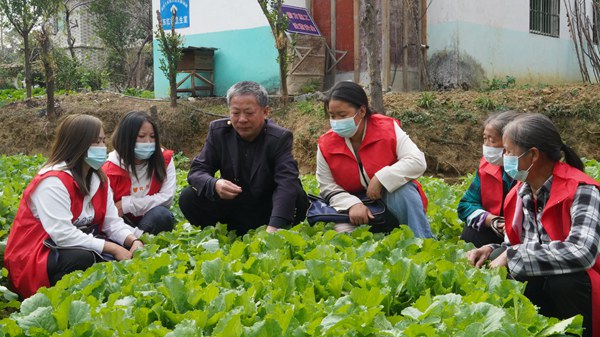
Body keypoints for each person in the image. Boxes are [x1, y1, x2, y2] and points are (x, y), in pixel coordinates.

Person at [466, 114, 600, 337]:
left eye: (508, 151)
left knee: (562, 281)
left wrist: (514, 254)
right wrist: (490, 248)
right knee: (496, 256)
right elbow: (519, 242)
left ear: (533, 155)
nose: (503, 157)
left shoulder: (581, 190)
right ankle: (535, 328)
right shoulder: (523, 190)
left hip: (584, 283)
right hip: (549, 276)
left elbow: (582, 252)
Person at [4, 114, 143, 299]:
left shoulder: (99, 179)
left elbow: (112, 223)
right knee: (83, 257)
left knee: (113, 250)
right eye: (96, 142)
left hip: (73, 244)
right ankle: (54, 299)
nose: (103, 148)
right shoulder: (53, 181)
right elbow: (63, 235)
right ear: (77, 144)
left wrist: (133, 241)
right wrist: (113, 248)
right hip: (36, 254)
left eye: (103, 141)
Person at [179, 81, 309, 234]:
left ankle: (274, 228)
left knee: (297, 195)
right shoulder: (218, 132)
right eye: (235, 113)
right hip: (233, 207)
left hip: (266, 209)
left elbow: (286, 182)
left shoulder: (279, 138)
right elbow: (197, 171)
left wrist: (275, 226)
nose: (242, 119)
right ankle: (225, 232)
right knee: (188, 197)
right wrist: (214, 184)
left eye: (249, 113)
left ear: (265, 111)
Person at [316, 81, 432, 237]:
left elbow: (417, 161)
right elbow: (327, 186)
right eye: (332, 116)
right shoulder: (326, 144)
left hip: (390, 199)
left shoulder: (387, 129)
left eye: (342, 115)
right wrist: (352, 204)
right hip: (353, 208)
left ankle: (422, 242)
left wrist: (381, 178)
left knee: (404, 191)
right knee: (343, 238)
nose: (337, 121)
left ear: (362, 111)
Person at [102, 111, 175, 235]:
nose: (148, 142)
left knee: (162, 216)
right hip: (120, 223)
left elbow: (167, 198)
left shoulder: (164, 160)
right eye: (141, 136)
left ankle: (139, 242)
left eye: (152, 137)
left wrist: (126, 204)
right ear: (126, 137)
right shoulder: (110, 169)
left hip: (149, 219)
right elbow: (109, 214)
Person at [457, 111, 520, 247]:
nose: (486, 145)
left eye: (492, 140)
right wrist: (493, 221)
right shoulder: (486, 168)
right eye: (484, 138)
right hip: (498, 228)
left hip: (524, 232)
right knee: (470, 234)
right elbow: (465, 205)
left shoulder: (525, 171)